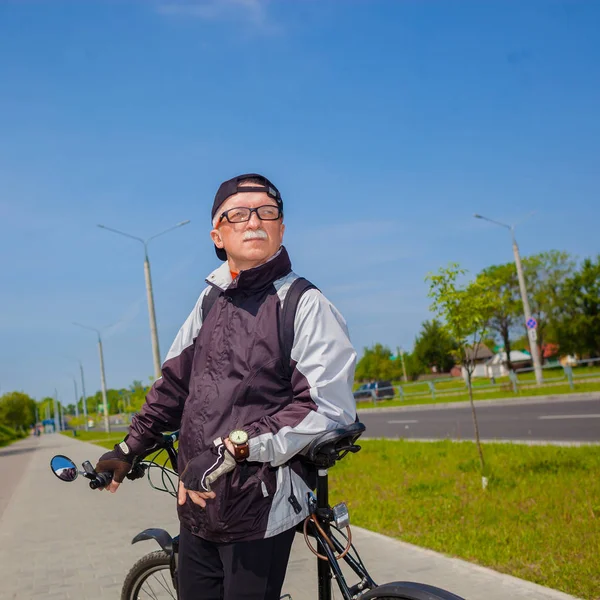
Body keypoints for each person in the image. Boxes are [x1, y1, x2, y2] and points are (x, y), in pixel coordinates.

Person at [96, 173, 357, 600]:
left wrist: (232, 450)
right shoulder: (210, 301)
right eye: (238, 214)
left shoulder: (304, 304)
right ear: (218, 235)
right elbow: (174, 386)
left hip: (260, 504)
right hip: (197, 505)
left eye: (267, 212)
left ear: (281, 229)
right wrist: (128, 449)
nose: (254, 221)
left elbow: (323, 408)